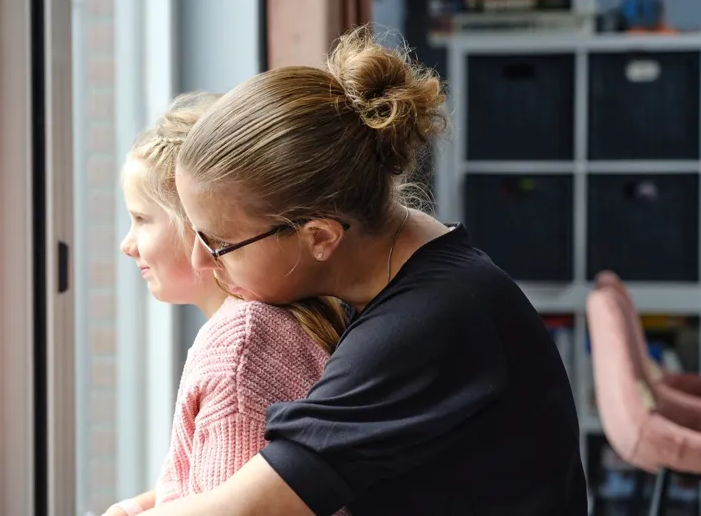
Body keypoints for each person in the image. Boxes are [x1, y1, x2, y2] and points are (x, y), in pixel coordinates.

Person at [140, 26, 587, 516]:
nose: (202, 261)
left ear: (320, 237)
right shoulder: (417, 264)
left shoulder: (423, 324)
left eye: (219, 243)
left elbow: (255, 507)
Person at [106, 92, 351, 516]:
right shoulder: (274, 323)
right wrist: (139, 508)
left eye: (142, 219)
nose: (127, 245)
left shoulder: (239, 345)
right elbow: (224, 480)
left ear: (200, 223)